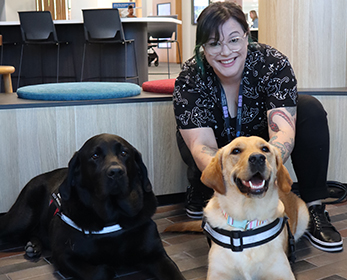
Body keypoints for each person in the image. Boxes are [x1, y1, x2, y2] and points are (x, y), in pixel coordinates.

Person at [173, 2, 342, 252]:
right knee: (187, 136)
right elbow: (201, 146)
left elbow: (283, 133)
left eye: (233, 40)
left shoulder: (272, 63)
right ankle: (202, 190)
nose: (225, 51)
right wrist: (233, 174)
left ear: (246, 37)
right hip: (223, 153)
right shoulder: (190, 77)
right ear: (203, 48)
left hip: (261, 148)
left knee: (309, 108)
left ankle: (315, 206)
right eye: (213, 43)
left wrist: (261, 166)